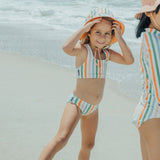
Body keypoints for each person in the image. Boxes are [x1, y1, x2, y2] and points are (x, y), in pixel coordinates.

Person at [39, 8, 134, 160]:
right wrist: (83, 28)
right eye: (97, 32)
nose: (102, 37)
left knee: (88, 145)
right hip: (77, 104)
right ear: (89, 32)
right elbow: (66, 48)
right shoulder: (84, 50)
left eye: (107, 33)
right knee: (61, 138)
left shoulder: (107, 54)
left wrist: (120, 38)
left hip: (93, 108)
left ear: (112, 36)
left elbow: (129, 60)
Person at [132, 0, 160, 159]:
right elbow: (159, 87)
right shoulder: (153, 40)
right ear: (150, 13)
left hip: (149, 113)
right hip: (153, 114)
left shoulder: (154, 38)